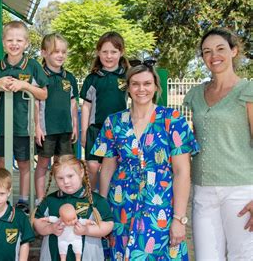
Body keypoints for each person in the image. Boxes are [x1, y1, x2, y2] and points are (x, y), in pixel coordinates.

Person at [93, 63, 199, 260]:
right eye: (135, 84)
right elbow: (106, 170)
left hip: (160, 203)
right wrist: (103, 211)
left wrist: (179, 219)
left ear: (156, 87)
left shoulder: (172, 120)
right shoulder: (114, 122)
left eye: (147, 83)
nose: (141, 89)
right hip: (120, 203)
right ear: (128, 88)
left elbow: (182, 172)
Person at [183, 27, 253, 260]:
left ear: (234, 51)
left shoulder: (248, 91)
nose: (214, 56)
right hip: (203, 190)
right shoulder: (195, 94)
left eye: (221, 48)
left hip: (241, 190)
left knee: (242, 256)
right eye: (207, 51)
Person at [0, 20, 48, 214]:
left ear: (26, 43)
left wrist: (24, 86)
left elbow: (43, 93)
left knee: (24, 164)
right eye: (10, 40)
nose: (14, 44)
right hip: (2, 127)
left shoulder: (31, 65)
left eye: (19, 40)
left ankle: (22, 199)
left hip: (24, 126)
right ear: (3, 42)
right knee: (1, 164)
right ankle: (1, 197)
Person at [33, 155, 114, 260]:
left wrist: (86, 230)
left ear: (81, 173)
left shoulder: (96, 200)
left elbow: (108, 224)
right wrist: (50, 228)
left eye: (70, 176)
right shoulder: (50, 200)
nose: (66, 182)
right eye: (60, 178)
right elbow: (37, 221)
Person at [80, 31, 129, 187]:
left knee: (112, 167)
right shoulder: (93, 78)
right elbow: (86, 107)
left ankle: (106, 198)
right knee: (92, 166)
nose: (109, 56)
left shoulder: (127, 77)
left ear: (121, 52)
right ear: (98, 53)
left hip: (118, 129)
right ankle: (91, 196)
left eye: (113, 52)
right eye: (105, 52)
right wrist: (84, 132)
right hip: (96, 129)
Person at [35, 33, 79, 204]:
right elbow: (36, 104)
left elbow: (73, 103)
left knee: (65, 166)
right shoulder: (40, 76)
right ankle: (40, 199)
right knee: (43, 164)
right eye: (55, 52)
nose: (60, 55)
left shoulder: (70, 78)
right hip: (47, 130)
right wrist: (37, 127)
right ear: (44, 53)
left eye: (63, 52)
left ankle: (64, 196)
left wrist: (75, 126)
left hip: (65, 129)